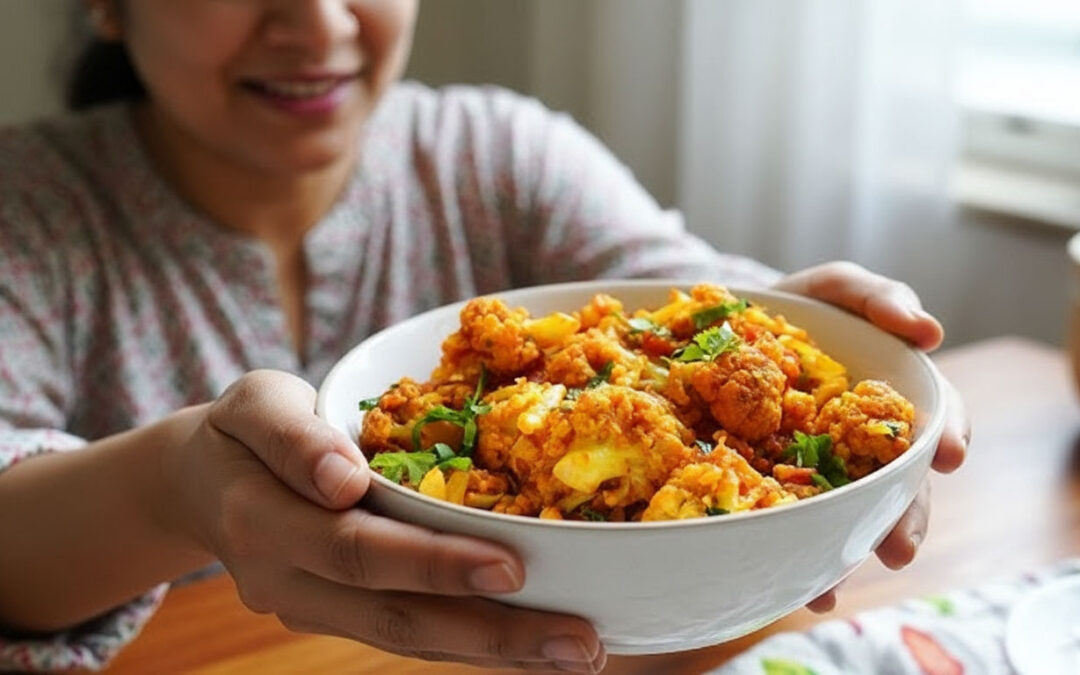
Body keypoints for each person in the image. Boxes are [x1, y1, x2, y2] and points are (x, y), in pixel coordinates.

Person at [0, 1, 969, 672]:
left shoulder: (498, 152)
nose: (320, 26)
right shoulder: (28, 210)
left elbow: (668, 283)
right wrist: (173, 488)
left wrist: (793, 329)